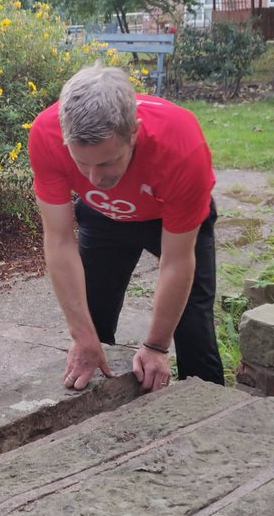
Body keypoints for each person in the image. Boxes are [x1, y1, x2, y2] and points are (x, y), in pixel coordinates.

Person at [27, 63, 222, 394]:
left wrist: (157, 347)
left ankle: (212, 416)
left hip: (166, 214)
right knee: (92, 321)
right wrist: (82, 336)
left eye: (106, 162)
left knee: (193, 328)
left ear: (134, 132)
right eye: (80, 162)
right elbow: (59, 241)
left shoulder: (181, 145)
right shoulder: (46, 135)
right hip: (103, 217)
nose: (93, 179)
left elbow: (176, 261)